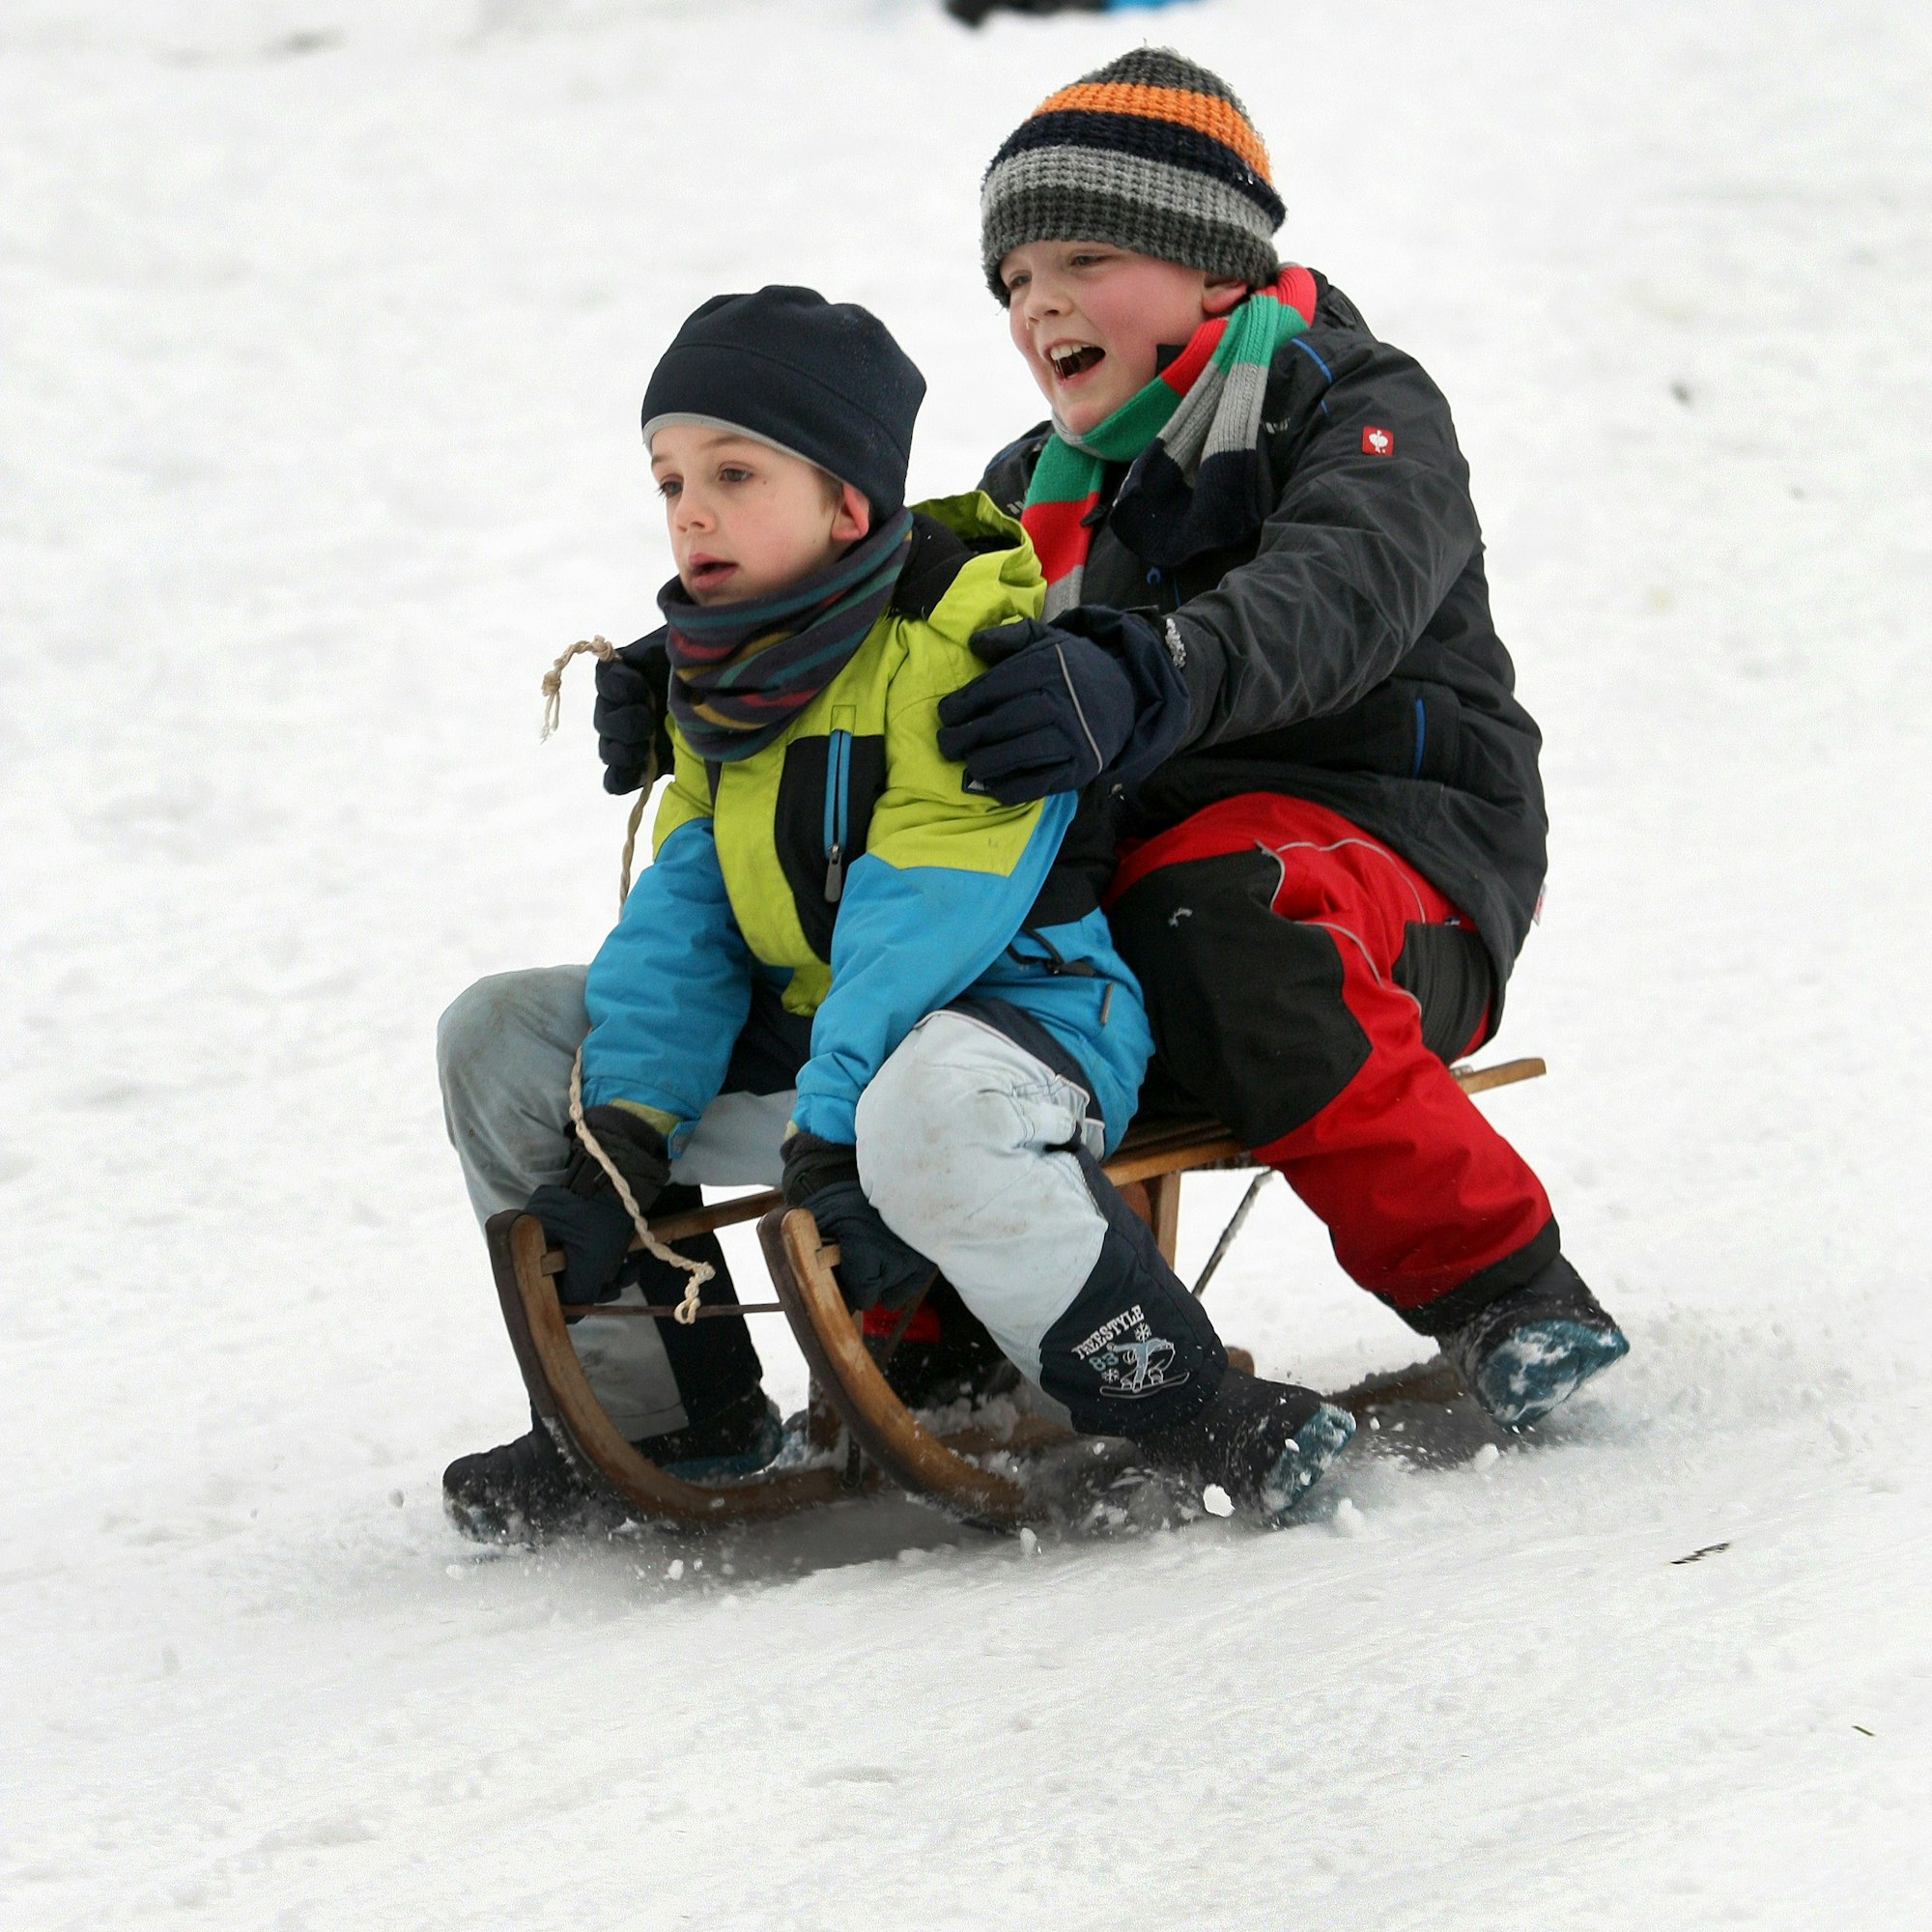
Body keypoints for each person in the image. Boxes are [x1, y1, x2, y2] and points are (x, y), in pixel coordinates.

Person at [595, 52, 1630, 1434]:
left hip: (1398, 864)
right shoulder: (1033, 488)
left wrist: (1159, 667)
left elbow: (1342, 592)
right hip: (1152, 894)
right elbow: (889, 617)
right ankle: (936, 1348)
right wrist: (707, 666)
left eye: (1086, 256)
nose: (1042, 305)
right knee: (907, 923)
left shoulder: (1353, 403)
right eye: (1015, 280)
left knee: (1210, 896)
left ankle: (1510, 1288)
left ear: (1215, 266)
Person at [439, 285, 1356, 1542]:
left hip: (1013, 1028)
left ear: (847, 504)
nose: (690, 510)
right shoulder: (723, 681)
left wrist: (828, 1133)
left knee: (915, 1105)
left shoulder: (962, 652)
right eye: (667, 481)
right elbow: (688, 925)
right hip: (826, 1058)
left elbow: (920, 913)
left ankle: (1186, 1403)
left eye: (734, 472)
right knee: (502, 1035)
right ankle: (665, 1409)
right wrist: (622, 1135)